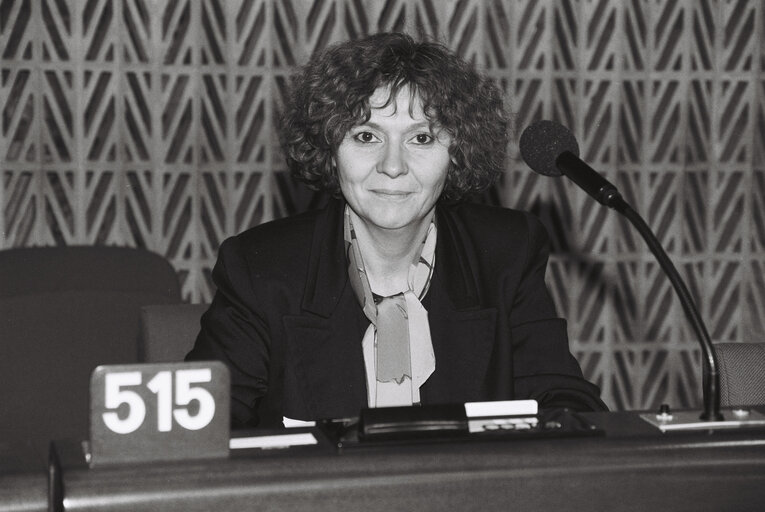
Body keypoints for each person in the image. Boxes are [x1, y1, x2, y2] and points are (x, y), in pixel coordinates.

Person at [186, 32, 606, 428]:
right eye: (366, 136)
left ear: (456, 154)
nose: (392, 165)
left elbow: (567, 403)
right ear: (330, 151)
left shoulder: (505, 255)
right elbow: (196, 430)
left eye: (421, 138)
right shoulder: (262, 268)